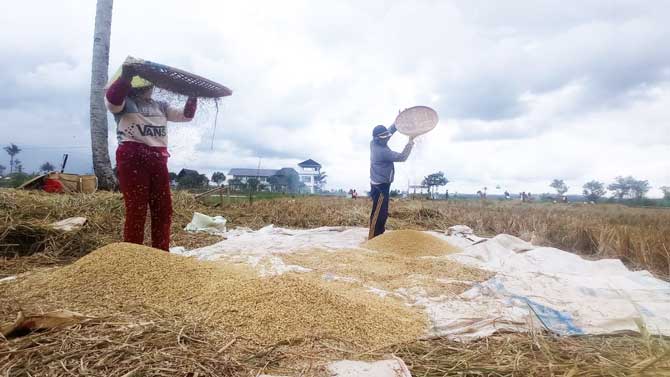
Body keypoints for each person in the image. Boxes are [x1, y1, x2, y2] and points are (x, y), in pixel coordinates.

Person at [105, 62, 198, 251]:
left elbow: (186, 116)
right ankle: (133, 254)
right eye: (145, 85)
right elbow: (113, 100)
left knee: (163, 209)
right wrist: (125, 78)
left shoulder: (161, 106)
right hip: (132, 158)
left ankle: (160, 253)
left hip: (157, 160)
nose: (149, 88)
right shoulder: (124, 102)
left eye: (150, 85)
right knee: (137, 209)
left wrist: (193, 95)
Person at [368, 124, 414, 239]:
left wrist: (397, 123)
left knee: (382, 212)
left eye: (386, 136)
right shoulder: (382, 152)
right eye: (384, 138)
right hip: (380, 187)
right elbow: (402, 157)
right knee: (379, 213)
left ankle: (379, 234)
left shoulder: (374, 143)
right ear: (378, 138)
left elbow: (389, 132)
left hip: (381, 183)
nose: (387, 138)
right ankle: (373, 237)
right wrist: (410, 142)